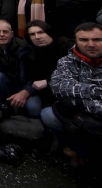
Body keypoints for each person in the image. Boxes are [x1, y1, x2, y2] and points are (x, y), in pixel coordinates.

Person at [40, 22, 102, 165]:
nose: (90, 44)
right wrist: (96, 91)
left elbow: (69, 92)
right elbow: (59, 87)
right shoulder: (67, 61)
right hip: (81, 115)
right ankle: (79, 151)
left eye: (97, 40)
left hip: (84, 111)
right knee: (48, 114)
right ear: (76, 41)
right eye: (84, 40)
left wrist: (80, 103)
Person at [0, 20, 42, 117]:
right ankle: (4, 105)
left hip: (26, 86)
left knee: (34, 110)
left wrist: (25, 92)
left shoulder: (25, 47)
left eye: (5, 31)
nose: (2, 34)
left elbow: (37, 75)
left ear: (12, 34)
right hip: (5, 84)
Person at [25, 20, 70, 108]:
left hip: (66, 89)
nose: (37, 37)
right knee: (32, 108)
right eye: (32, 34)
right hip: (43, 92)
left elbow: (74, 74)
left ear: (49, 32)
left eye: (41, 32)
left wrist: (48, 81)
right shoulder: (31, 53)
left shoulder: (66, 48)